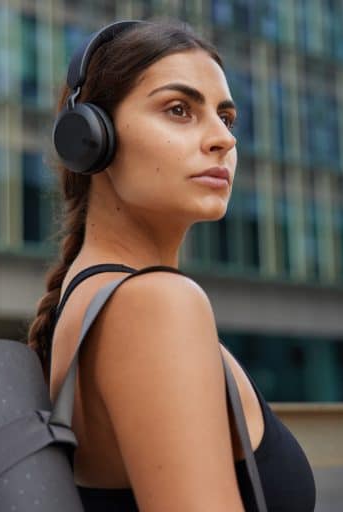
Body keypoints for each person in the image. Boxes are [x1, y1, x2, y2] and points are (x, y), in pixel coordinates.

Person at [27, 19, 316, 512]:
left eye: (227, 118)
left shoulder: (91, 299)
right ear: (91, 138)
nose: (222, 139)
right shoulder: (155, 303)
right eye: (179, 110)